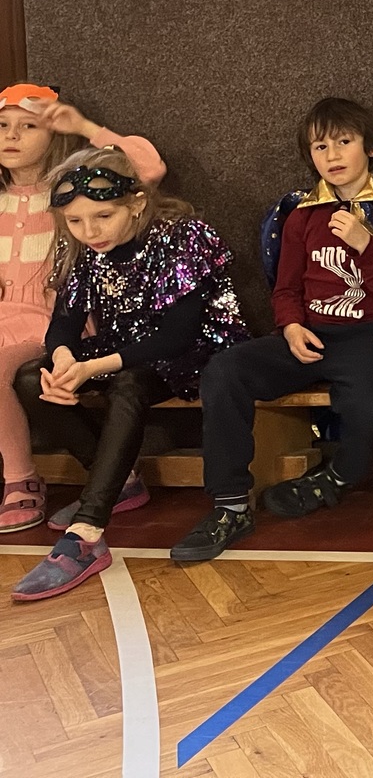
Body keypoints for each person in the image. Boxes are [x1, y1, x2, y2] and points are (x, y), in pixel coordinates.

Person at [170, 97, 373, 563]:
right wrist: (290, 326)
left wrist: (367, 245)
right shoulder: (301, 216)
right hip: (308, 334)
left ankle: (338, 477)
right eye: (320, 147)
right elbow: (286, 287)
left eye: (344, 142)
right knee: (225, 371)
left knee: (372, 404)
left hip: (368, 335)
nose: (332, 156)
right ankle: (230, 506)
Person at [11, 147, 247, 600]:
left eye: (103, 217)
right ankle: (123, 484)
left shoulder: (183, 236)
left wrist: (92, 366)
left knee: (129, 384)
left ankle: (86, 533)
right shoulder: (84, 249)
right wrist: (62, 358)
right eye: (75, 221)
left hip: (196, 351)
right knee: (30, 378)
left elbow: (178, 335)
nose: (89, 232)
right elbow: (65, 320)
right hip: (122, 347)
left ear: (136, 203)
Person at [0, 86, 164, 536]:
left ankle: (20, 479)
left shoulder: (70, 189)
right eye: (3, 126)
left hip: (48, 320)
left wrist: (86, 128)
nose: (11, 136)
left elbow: (148, 168)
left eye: (27, 126)